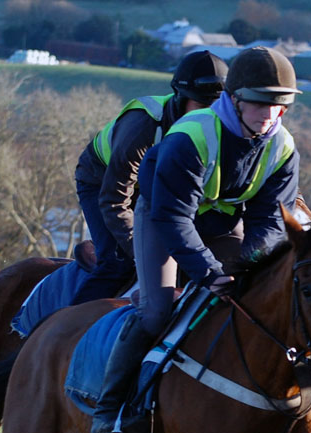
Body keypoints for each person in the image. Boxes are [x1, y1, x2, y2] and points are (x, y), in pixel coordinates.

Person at [90, 46, 302, 433]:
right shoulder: (191, 135)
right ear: (234, 99)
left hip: (220, 222)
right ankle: (109, 408)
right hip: (162, 216)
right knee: (156, 311)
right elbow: (173, 218)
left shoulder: (283, 148)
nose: (269, 114)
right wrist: (209, 272)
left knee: (247, 299)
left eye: (279, 105)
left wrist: (247, 266)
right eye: (259, 103)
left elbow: (270, 222)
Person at [69, 51, 229, 305]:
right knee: (119, 263)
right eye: (201, 106)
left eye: (217, 109)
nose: (208, 117)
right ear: (181, 98)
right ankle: (70, 323)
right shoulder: (143, 126)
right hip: (102, 183)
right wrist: (140, 250)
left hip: (155, 191)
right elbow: (114, 200)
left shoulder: (222, 129)